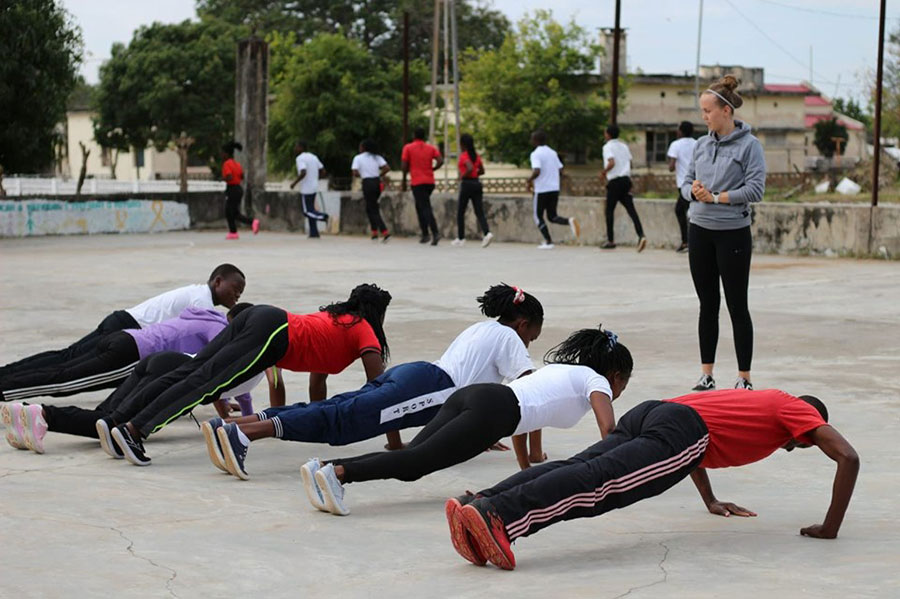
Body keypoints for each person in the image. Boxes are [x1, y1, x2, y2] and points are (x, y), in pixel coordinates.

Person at [446, 389, 858, 571]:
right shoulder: (799, 412)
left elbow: (696, 450)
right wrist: (830, 528)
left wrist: (710, 501)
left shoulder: (758, 402)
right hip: (682, 429)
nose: (792, 447)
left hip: (655, 412)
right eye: (801, 444)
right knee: (598, 483)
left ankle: (480, 503)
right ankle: (499, 517)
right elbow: (848, 458)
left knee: (582, 466)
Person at [204, 283, 543, 480]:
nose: (528, 344)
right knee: (342, 421)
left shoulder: (483, 328)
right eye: (532, 337)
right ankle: (243, 434)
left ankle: (237, 424)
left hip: (418, 376)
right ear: (523, 324)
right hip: (428, 390)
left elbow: (473, 385)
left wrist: (483, 434)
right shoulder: (511, 340)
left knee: (339, 407)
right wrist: (534, 455)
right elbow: (527, 396)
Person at [301, 326, 633, 516]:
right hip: (495, 411)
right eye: (623, 385)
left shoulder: (563, 371)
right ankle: (338, 474)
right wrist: (616, 466)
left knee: (411, 457)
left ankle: (325, 467)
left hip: (478, 396)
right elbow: (609, 430)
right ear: (615, 376)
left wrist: (525, 469)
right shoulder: (597, 381)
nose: (618, 390)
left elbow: (530, 413)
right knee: (414, 463)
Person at [105, 284, 392, 467]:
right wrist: (394, 440)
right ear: (376, 313)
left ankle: (120, 422)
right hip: (272, 331)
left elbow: (318, 381)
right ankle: (135, 430)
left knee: (193, 372)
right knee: (205, 384)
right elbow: (383, 391)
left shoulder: (338, 321)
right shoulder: (364, 328)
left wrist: (314, 425)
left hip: (261, 317)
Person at [1, 304, 283, 454]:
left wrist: (244, 416)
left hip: (160, 361)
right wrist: (274, 420)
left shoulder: (235, 349)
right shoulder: (260, 352)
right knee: (111, 423)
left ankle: (26, 413)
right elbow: (270, 386)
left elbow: (226, 392)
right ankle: (43, 414)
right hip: (170, 372)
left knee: (103, 417)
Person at [0, 264, 246, 384]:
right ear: (217, 281)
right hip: (127, 329)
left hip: (123, 321)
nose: (237, 297)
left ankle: (8, 372)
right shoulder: (202, 301)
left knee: (65, 357)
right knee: (67, 366)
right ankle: (10, 378)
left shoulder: (199, 295)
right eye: (235, 289)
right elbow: (206, 354)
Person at [681, 75, 766, 392]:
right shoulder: (700, 145)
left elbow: (755, 190)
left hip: (733, 234)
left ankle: (744, 377)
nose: (704, 117)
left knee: (737, 305)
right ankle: (707, 373)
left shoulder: (749, 146)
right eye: (702, 111)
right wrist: (694, 190)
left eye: (708, 111)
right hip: (700, 230)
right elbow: (685, 182)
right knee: (707, 304)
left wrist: (716, 197)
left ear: (726, 111)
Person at [0, 307, 231, 401]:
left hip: (125, 337)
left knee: (62, 369)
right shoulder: (219, 329)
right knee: (64, 382)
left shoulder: (204, 316)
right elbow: (216, 363)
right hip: (132, 353)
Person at [527, 130, 579, 250]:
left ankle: (548, 241)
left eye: (532, 139)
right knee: (552, 216)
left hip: (541, 190)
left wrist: (529, 181)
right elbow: (561, 170)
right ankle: (569, 221)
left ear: (535, 141)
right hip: (554, 188)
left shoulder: (535, 154)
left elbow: (537, 171)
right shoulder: (552, 152)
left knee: (537, 216)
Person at [600, 124, 647, 252]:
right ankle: (641, 235)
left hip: (615, 181)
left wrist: (604, 172)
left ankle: (610, 240)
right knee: (631, 210)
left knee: (609, 210)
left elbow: (611, 162)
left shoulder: (607, 147)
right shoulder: (624, 146)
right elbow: (630, 163)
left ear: (608, 134)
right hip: (626, 180)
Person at [401, 127, 443, 245]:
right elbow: (440, 161)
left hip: (417, 182)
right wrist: (432, 168)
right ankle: (425, 234)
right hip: (429, 181)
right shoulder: (430, 148)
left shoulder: (408, 148)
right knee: (420, 206)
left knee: (424, 207)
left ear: (414, 135)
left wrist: (410, 170)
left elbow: (404, 167)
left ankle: (434, 232)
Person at [451, 133, 493, 248]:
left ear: (463, 144)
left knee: (460, 211)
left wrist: (462, 176)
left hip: (467, 184)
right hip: (477, 183)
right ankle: (487, 233)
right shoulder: (476, 156)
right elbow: (482, 171)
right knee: (479, 211)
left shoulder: (464, 156)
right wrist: (475, 174)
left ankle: (461, 238)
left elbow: (469, 168)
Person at [351, 139, 391, 242]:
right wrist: (378, 175)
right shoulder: (376, 157)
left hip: (367, 183)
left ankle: (384, 231)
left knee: (372, 208)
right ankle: (374, 232)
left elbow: (355, 172)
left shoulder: (358, 158)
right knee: (370, 207)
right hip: (377, 183)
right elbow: (387, 168)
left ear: (363, 148)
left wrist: (363, 175)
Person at [667, 121, 697, 253]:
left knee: (682, 211)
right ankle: (689, 242)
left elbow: (671, 167)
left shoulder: (675, 144)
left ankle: (687, 242)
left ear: (681, 131)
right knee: (690, 212)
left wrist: (671, 165)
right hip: (697, 183)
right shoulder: (697, 143)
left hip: (684, 185)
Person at [290, 141, 329, 238]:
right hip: (314, 186)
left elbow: (303, 172)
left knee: (307, 211)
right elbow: (323, 171)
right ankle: (314, 232)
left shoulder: (300, 158)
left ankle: (322, 216)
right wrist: (316, 178)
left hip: (306, 188)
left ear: (301, 147)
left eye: (296, 146)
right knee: (311, 209)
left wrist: (294, 183)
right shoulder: (313, 157)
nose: (295, 149)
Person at [221, 141, 259, 240]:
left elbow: (229, 177)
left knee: (229, 211)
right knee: (233, 212)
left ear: (226, 153)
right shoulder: (237, 164)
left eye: (222, 153)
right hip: (238, 189)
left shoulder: (226, 164)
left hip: (232, 189)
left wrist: (222, 178)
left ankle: (250, 223)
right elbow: (241, 176)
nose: (221, 155)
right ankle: (234, 232)